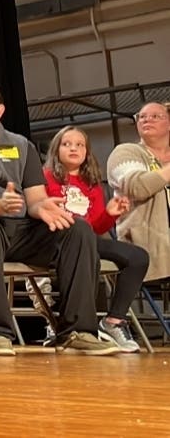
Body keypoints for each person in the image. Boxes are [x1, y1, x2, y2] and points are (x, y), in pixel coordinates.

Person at [0, 82, 118, 355]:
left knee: (77, 228)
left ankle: (77, 331)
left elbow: (34, 198)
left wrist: (44, 207)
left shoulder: (20, 145)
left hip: (19, 228)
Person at [44, 125, 147, 353]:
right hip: (60, 239)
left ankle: (113, 321)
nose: (74, 148)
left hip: (88, 238)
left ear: (87, 152)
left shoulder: (91, 182)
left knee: (138, 257)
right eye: (67, 144)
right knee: (86, 256)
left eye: (80, 145)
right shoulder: (47, 177)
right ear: (56, 149)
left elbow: (95, 227)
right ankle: (65, 323)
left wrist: (110, 214)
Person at [107, 102, 170, 283]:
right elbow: (137, 187)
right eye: (141, 116)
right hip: (148, 246)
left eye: (155, 116)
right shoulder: (126, 152)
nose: (146, 119)